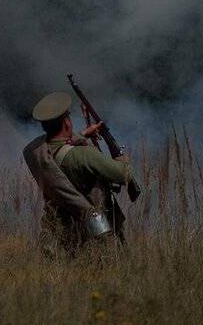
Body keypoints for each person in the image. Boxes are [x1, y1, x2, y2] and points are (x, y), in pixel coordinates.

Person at [22, 92, 134, 258]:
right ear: (66, 122)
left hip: (63, 235)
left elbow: (60, 145)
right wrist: (119, 152)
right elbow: (124, 175)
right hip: (93, 236)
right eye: (68, 116)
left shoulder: (37, 153)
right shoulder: (84, 155)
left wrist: (82, 135)